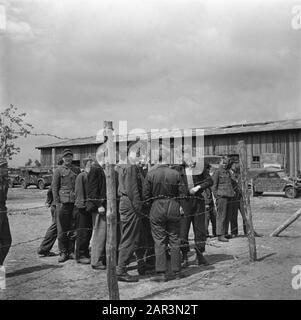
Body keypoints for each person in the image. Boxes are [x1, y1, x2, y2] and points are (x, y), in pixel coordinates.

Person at [143, 147, 186, 282]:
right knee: (174, 239)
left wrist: (153, 205)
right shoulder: (176, 173)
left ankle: (161, 273)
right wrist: (178, 205)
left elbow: (145, 196)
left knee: (159, 241)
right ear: (168, 159)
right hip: (173, 205)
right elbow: (183, 193)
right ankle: (177, 272)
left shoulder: (150, 174)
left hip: (156, 206)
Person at [116, 149, 148, 282]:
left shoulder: (126, 165)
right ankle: (121, 270)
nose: (142, 156)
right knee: (130, 237)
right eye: (139, 153)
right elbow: (132, 190)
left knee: (136, 236)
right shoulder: (130, 167)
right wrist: (139, 207)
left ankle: (139, 264)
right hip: (131, 204)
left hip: (128, 203)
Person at [177, 157, 213, 267]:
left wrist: (198, 187)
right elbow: (173, 189)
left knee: (199, 229)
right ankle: (184, 256)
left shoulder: (199, 169)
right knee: (183, 230)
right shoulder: (177, 170)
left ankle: (200, 255)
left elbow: (209, 181)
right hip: (183, 202)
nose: (192, 161)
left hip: (198, 201)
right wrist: (178, 204)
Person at [52, 149, 81, 262]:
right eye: (66, 157)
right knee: (62, 229)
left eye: (70, 156)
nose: (68, 159)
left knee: (73, 228)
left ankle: (71, 251)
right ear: (63, 158)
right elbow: (54, 188)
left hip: (74, 203)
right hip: (63, 204)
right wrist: (57, 203)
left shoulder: (76, 169)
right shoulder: (58, 171)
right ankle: (63, 252)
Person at [37, 159, 63, 257]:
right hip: (56, 205)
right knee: (56, 226)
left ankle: (45, 248)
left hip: (55, 204)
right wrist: (50, 201)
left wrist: (48, 201)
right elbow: (51, 189)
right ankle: (43, 248)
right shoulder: (59, 174)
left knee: (56, 226)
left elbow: (49, 191)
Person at [86, 160, 107, 270]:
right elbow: (92, 192)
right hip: (99, 207)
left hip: (102, 206)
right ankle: (96, 260)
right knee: (99, 233)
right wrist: (99, 205)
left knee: (102, 233)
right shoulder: (95, 170)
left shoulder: (101, 169)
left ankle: (100, 258)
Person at [74, 157, 94, 264]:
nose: (92, 164)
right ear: (86, 164)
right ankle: (80, 255)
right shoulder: (81, 176)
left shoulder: (89, 175)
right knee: (82, 233)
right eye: (91, 163)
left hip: (88, 208)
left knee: (88, 232)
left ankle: (85, 253)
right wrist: (82, 206)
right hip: (82, 209)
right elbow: (79, 192)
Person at [212, 157, 235, 242]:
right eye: (223, 163)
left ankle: (225, 233)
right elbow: (214, 186)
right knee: (221, 216)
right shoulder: (217, 172)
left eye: (226, 163)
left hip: (229, 195)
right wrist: (216, 196)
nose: (225, 165)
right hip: (221, 196)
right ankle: (220, 235)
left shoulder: (228, 172)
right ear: (220, 164)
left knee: (227, 215)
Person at [0, 158, 12, 267]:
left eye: (6, 166)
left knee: (7, 241)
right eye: (3, 166)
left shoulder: (5, 181)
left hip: (3, 212)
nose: (6, 169)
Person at [203, 164, 217, 238]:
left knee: (214, 217)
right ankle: (205, 234)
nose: (209, 171)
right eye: (208, 169)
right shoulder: (204, 179)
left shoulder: (208, 177)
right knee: (206, 218)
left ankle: (215, 232)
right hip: (207, 202)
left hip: (211, 201)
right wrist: (206, 203)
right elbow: (204, 192)